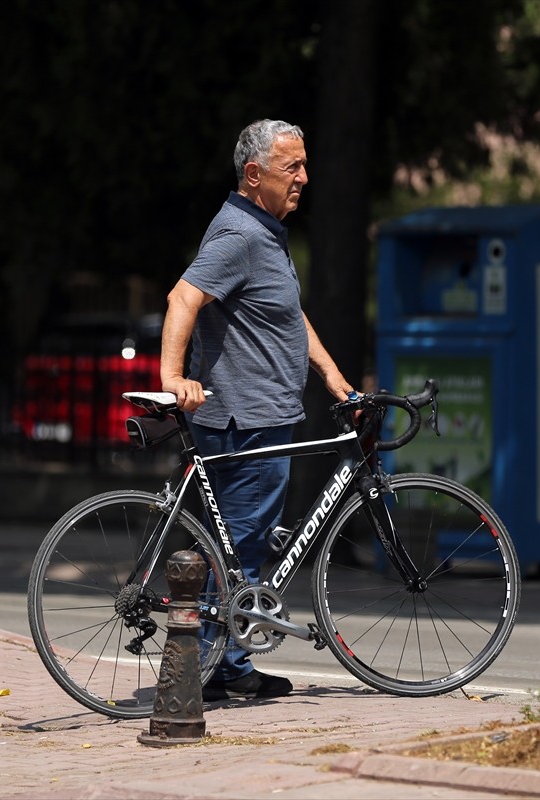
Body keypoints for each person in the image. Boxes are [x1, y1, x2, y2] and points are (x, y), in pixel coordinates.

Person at [160, 119, 354, 700]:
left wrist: (332, 375)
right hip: (248, 420)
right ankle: (223, 669)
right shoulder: (240, 235)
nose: (304, 178)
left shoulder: (264, 232)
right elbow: (183, 297)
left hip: (261, 415)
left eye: (303, 164)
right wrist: (173, 377)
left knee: (239, 546)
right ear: (254, 175)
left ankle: (227, 664)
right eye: (291, 167)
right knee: (241, 549)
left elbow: (285, 314)